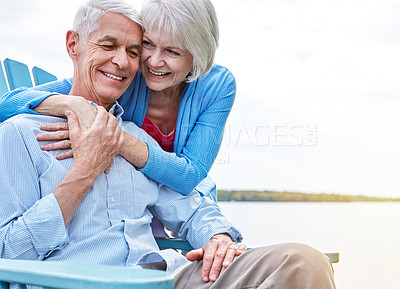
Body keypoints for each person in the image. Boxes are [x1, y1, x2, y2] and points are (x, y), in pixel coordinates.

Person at [0, 1, 336, 289]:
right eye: (108, 45)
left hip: (166, 277)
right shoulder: (21, 135)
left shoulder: (135, 138)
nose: (124, 62)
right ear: (73, 45)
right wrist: (85, 169)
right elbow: (10, 253)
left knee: (304, 262)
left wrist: (219, 237)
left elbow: (190, 203)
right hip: (86, 281)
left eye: (133, 51)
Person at [0, 0, 233, 204]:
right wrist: (73, 105)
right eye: (148, 45)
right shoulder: (125, 74)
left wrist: (110, 137)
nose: (153, 61)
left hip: (175, 201)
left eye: (171, 51)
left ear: (198, 54)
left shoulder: (217, 86)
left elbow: (190, 176)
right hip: (127, 194)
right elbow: (7, 105)